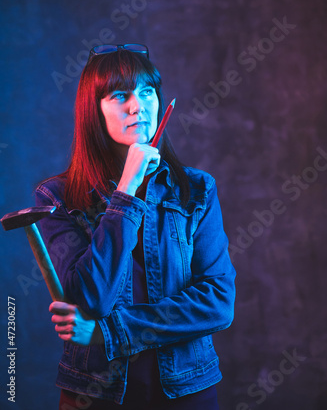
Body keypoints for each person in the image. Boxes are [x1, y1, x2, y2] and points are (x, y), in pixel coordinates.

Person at [35, 44, 236, 410]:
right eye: (119, 95)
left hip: (187, 390)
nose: (137, 105)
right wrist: (125, 192)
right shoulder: (56, 198)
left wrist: (109, 333)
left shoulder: (197, 190)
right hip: (94, 394)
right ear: (92, 110)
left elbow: (218, 303)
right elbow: (89, 301)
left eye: (147, 92)